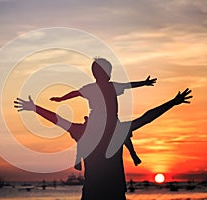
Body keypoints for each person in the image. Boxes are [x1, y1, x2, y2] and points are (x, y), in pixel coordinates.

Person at [14, 88, 192, 200]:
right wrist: (173, 103)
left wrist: (34, 108)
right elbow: (146, 118)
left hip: (100, 192)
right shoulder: (113, 130)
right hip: (105, 192)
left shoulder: (87, 131)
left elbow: (57, 119)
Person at [50, 58, 157, 169]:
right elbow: (76, 93)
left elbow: (128, 85)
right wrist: (61, 99)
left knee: (121, 132)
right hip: (97, 118)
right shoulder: (94, 88)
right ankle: (78, 158)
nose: (109, 75)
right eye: (107, 72)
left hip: (111, 119)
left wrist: (144, 83)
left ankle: (133, 153)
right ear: (98, 74)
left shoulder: (111, 86)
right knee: (84, 133)